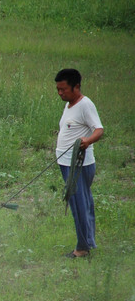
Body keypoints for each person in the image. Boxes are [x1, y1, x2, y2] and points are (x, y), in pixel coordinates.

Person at [55, 68, 104, 259]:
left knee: (80, 204)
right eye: (58, 89)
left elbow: (98, 130)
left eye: (63, 89)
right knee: (79, 202)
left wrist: (87, 141)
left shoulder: (85, 105)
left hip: (78, 165)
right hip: (67, 163)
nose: (60, 93)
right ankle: (86, 242)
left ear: (76, 86)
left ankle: (82, 248)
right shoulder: (69, 105)